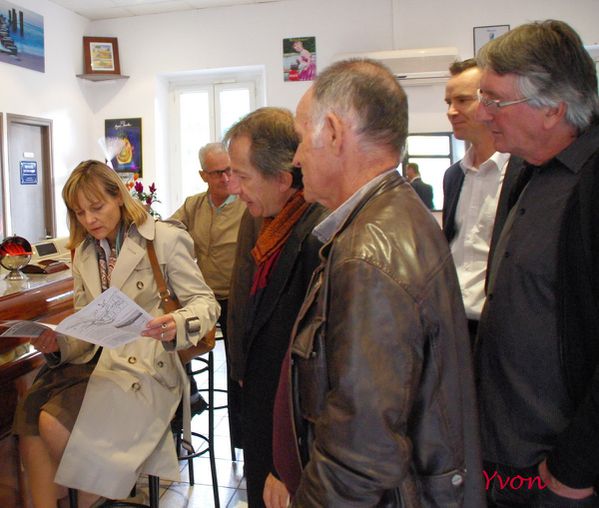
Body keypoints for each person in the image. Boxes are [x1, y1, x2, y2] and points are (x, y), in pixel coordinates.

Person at [271, 58, 484, 506]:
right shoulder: (397, 214)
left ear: (331, 132)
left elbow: (361, 450)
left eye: (300, 137)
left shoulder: (369, 253)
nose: (295, 158)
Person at [14, 160, 219, 508]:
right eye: (80, 213)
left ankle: (102, 486)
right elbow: (87, 320)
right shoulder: (85, 253)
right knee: (31, 417)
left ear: (120, 197)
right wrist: (58, 343)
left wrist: (176, 323)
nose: (90, 220)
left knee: (51, 423)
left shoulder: (164, 238)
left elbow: (206, 303)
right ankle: (85, 490)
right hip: (94, 361)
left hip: (147, 362)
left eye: (97, 208)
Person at [474, 20, 599, 507]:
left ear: (554, 110)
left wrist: (576, 466)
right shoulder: (525, 169)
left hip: (562, 472)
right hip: (503, 455)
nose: (483, 115)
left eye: (495, 101)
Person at [224, 107, 326, 508]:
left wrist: (288, 463)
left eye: (242, 176)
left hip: (290, 429)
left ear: (283, 179)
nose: (233, 187)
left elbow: (313, 362)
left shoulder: (316, 233)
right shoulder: (263, 216)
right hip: (260, 401)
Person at [170, 141, 245, 448]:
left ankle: (241, 440)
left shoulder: (246, 204)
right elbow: (167, 231)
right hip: (203, 299)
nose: (225, 178)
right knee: (172, 343)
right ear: (204, 176)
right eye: (216, 173)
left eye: (228, 170)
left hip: (237, 298)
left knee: (238, 367)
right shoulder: (194, 206)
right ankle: (188, 403)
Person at [442, 58, 521, 346]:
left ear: (489, 103)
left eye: (462, 100)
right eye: (448, 101)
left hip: (501, 332)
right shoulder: (454, 177)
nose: (451, 111)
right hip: (453, 327)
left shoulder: (521, 173)